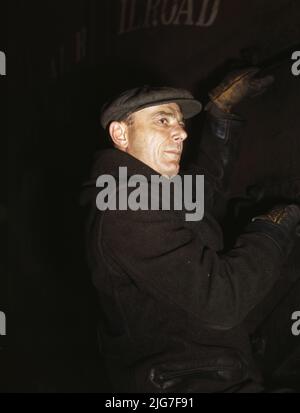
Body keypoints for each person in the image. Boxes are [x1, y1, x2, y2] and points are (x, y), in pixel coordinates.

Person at [82, 70, 300, 393]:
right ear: (121, 134)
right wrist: (273, 230)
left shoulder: (141, 190)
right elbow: (221, 300)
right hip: (187, 384)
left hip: (204, 370)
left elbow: (206, 185)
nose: (181, 132)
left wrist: (220, 116)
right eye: (163, 121)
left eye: (180, 122)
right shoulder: (124, 209)